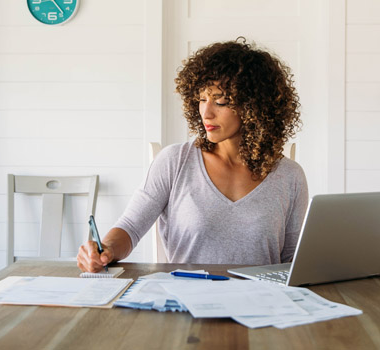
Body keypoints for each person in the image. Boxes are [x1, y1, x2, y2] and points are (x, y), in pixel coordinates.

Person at [77, 38, 308, 272]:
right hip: (186, 300)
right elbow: (130, 227)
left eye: (221, 101)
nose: (206, 113)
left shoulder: (289, 175)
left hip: (262, 303)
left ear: (255, 107)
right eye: (201, 99)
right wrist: (105, 249)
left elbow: (292, 260)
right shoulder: (175, 161)